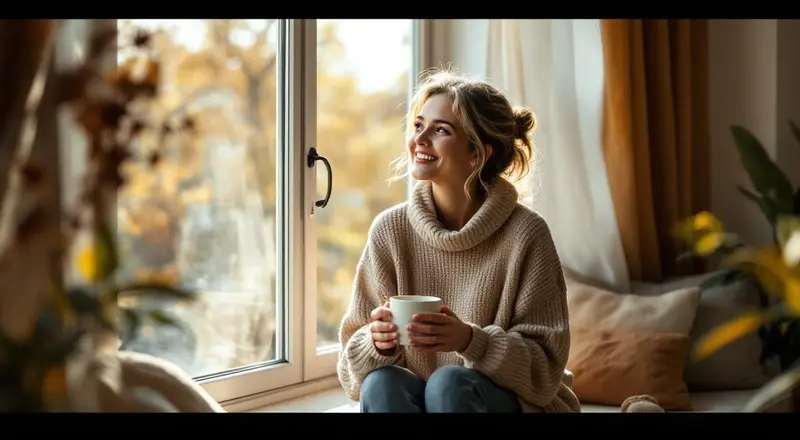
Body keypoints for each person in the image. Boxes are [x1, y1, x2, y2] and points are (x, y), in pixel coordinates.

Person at [336, 68, 581, 413]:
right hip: (419, 400)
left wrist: (470, 341)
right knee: (380, 383)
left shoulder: (527, 234)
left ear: (476, 154)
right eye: (419, 125)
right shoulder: (390, 230)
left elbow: (544, 372)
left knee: (449, 384)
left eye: (440, 130)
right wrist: (376, 343)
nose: (419, 139)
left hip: (512, 402)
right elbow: (350, 376)